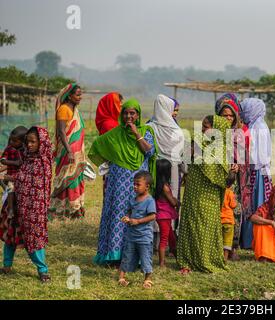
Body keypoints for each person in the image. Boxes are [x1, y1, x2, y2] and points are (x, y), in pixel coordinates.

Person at [89, 98, 157, 266]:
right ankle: (114, 256)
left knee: (137, 214)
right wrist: (111, 159)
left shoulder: (146, 130)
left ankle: (136, 257)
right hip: (118, 182)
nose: (128, 117)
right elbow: (97, 145)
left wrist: (136, 134)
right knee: (118, 214)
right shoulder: (115, 134)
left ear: (138, 115)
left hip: (138, 182)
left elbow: (150, 151)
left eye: (132, 113)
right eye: (125, 113)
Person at [177, 115, 233, 273]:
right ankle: (187, 261)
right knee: (191, 223)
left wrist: (231, 172)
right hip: (194, 189)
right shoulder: (196, 140)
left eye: (206, 127)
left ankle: (206, 259)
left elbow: (226, 178)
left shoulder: (223, 148)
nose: (202, 130)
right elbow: (185, 161)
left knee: (207, 225)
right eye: (202, 126)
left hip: (211, 194)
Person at [0, 127, 53, 282]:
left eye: (33, 142)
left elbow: (33, 182)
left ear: (41, 143)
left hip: (33, 208)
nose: (29, 145)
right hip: (16, 201)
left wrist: (12, 178)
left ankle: (43, 270)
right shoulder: (25, 156)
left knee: (34, 238)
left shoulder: (43, 162)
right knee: (11, 234)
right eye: (27, 141)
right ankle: (6, 265)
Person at [215, 93, 250, 260]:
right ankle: (217, 246)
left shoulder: (239, 134)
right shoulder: (213, 134)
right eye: (224, 115)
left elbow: (245, 158)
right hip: (216, 179)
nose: (228, 118)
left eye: (231, 115)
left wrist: (238, 166)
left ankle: (232, 246)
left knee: (234, 212)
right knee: (217, 212)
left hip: (234, 181)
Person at [49, 83, 87, 219]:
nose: (80, 97)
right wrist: (69, 151)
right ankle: (61, 209)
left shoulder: (74, 109)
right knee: (66, 178)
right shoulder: (64, 109)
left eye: (80, 94)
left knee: (76, 178)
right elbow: (61, 132)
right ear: (69, 96)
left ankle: (75, 209)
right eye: (77, 95)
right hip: (67, 151)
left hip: (77, 152)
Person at [239, 98, 272, 249]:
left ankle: (250, 239)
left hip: (255, 172)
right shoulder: (261, 125)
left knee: (252, 206)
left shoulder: (255, 128)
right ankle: (257, 239)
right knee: (259, 204)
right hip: (263, 172)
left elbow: (253, 155)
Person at [118, 171, 156, 289]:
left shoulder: (149, 201)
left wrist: (138, 221)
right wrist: (127, 218)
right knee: (127, 256)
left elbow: (153, 216)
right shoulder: (133, 199)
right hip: (131, 235)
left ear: (147, 186)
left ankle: (147, 279)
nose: (135, 186)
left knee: (145, 258)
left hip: (144, 236)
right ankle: (121, 277)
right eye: (134, 184)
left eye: (138, 184)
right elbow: (129, 211)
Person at [147, 94, 185, 200]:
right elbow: (181, 153)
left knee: (154, 200)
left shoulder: (148, 127)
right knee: (172, 199)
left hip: (154, 168)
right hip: (173, 170)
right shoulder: (178, 131)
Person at [155, 159, 179, 267]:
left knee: (172, 238)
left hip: (163, 216)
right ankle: (162, 263)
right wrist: (178, 202)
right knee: (164, 239)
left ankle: (177, 256)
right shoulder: (165, 187)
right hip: (164, 216)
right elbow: (172, 202)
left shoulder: (158, 185)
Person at [0, 126, 27, 219]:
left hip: (23, 177)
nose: (11, 142)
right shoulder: (9, 149)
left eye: (15, 141)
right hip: (11, 175)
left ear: (23, 141)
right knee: (11, 188)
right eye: (11, 140)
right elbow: (3, 160)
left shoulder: (26, 151)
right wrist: (15, 163)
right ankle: (11, 209)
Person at [221, 172, 238, 262]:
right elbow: (233, 205)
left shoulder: (220, 191)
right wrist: (234, 198)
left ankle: (219, 256)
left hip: (220, 220)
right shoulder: (230, 193)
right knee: (227, 240)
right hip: (229, 221)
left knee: (220, 239)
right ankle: (225, 258)